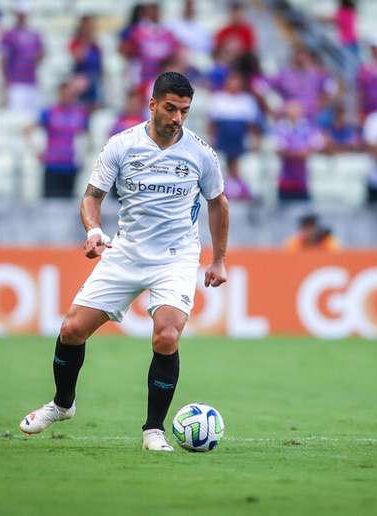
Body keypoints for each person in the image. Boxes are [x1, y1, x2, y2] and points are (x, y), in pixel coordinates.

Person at [18, 72, 230, 453]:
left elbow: (218, 204)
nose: (177, 117)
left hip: (176, 256)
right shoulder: (122, 145)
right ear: (152, 105)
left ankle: (154, 431)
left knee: (167, 335)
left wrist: (218, 260)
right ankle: (62, 405)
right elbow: (91, 196)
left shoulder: (201, 153)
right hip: (126, 252)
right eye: (170, 108)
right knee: (71, 330)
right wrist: (94, 230)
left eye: (184, 110)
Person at [24, 81, 89, 199]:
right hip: (52, 165)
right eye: (64, 94)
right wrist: (37, 151)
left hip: (70, 166)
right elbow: (27, 130)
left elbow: (85, 137)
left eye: (70, 95)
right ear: (58, 94)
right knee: (50, 205)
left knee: (67, 205)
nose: (67, 98)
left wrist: (81, 156)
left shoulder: (79, 114)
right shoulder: (49, 112)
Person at [208, 70, 259, 201]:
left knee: (242, 163)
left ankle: (240, 188)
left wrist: (253, 140)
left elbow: (251, 125)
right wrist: (211, 139)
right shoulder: (219, 98)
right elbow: (212, 123)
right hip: (223, 139)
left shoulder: (247, 100)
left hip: (239, 139)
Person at [271, 46, 338, 122]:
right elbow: (261, 85)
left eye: (304, 55)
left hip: (312, 116)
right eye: (299, 55)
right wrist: (271, 107)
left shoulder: (319, 73)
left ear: (309, 57)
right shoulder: (285, 74)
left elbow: (332, 89)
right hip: (288, 116)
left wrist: (319, 105)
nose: (301, 58)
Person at [274, 100, 324, 201]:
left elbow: (318, 144)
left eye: (296, 109)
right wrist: (299, 153)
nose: (293, 112)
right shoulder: (281, 127)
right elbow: (279, 149)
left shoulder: (308, 126)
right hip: (285, 181)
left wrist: (294, 151)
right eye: (291, 109)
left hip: (303, 182)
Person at [0, 3, 44, 116]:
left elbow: (41, 54)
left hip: (31, 81)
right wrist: (5, 84)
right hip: (15, 83)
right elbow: (3, 60)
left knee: (31, 116)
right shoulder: (9, 35)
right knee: (16, 116)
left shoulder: (35, 34)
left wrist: (37, 58)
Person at [69, 15, 104, 111]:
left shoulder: (95, 45)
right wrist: (85, 41)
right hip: (81, 76)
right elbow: (79, 58)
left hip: (94, 77)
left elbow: (99, 63)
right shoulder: (76, 42)